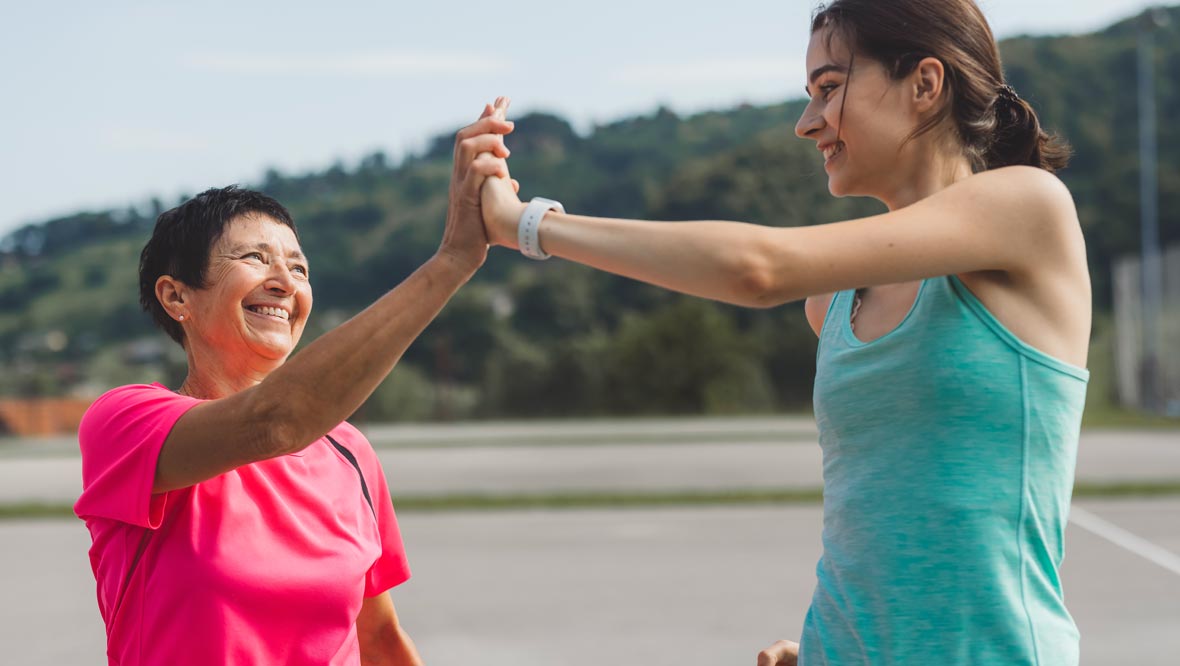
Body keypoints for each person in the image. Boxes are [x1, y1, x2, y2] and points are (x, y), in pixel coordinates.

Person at [479, 0, 1091, 663]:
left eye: (829, 88)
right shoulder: (831, 304)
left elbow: (755, 271)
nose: (807, 123)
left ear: (925, 83)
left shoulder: (1030, 209)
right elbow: (882, 519)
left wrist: (523, 225)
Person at [73, 99, 517, 665]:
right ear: (176, 295)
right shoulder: (126, 423)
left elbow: (378, 638)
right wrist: (452, 259)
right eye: (255, 259)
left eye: (299, 267)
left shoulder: (348, 451)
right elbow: (276, 422)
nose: (284, 282)